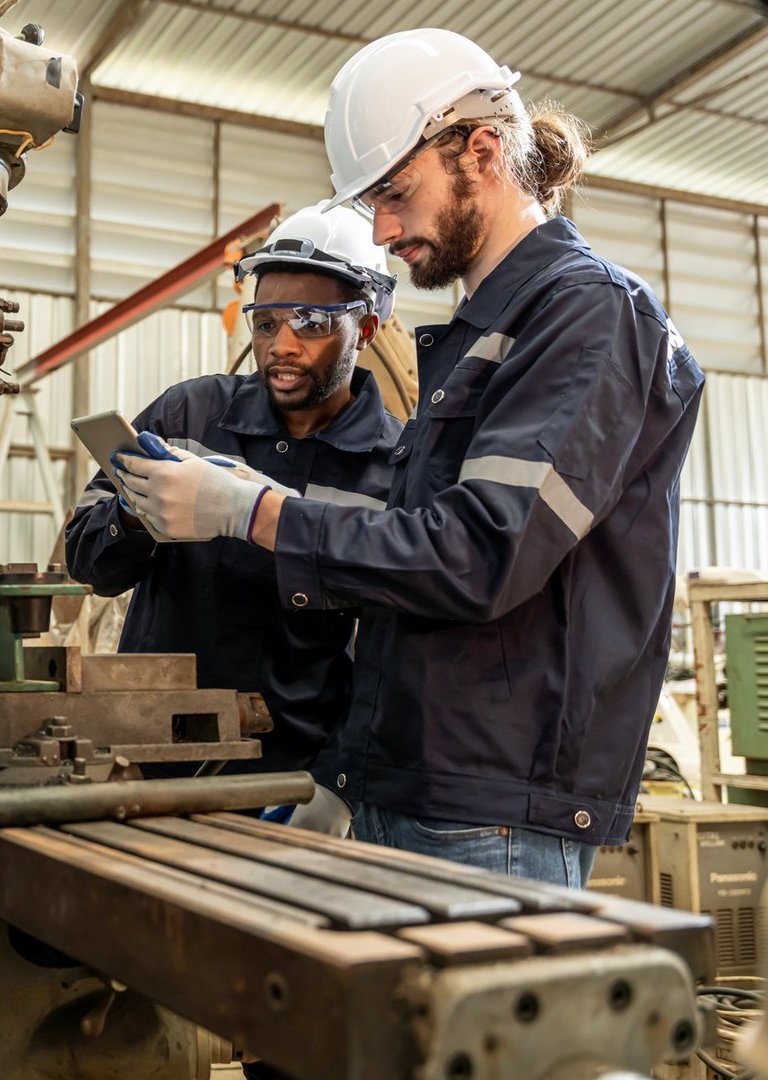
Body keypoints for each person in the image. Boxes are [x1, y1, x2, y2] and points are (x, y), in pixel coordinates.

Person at [115, 28, 705, 887]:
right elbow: (413, 550)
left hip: (493, 811)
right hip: (415, 787)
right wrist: (350, 769)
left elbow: (476, 557)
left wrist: (252, 512)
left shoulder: (585, 318)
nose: (384, 230)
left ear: (484, 151)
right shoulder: (479, 335)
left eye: (396, 193)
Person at [65, 205, 400, 797]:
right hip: (147, 760)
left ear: (365, 329)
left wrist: (334, 786)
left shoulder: (395, 466)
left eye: (311, 322)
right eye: (266, 322)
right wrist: (139, 510)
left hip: (290, 778)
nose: (282, 346)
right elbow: (87, 562)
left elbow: (394, 663)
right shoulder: (188, 417)